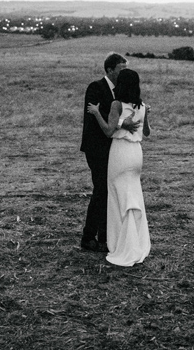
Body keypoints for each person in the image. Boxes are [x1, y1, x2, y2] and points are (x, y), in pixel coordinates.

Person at [87, 69, 151, 266]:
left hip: (121, 153)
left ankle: (122, 244)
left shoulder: (116, 104)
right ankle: (137, 241)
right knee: (134, 196)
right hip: (136, 154)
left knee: (117, 198)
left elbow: (108, 131)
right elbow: (146, 133)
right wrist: (145, 116)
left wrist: (97, 113)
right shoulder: (142, 106)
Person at [79, 53, 137, 252]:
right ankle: (88, 236)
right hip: (96, 147)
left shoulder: (121, 92)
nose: (124, 72)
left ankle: (105, 237)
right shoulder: (95, 88)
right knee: (101, 190)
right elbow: (96, 115)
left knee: (109, 192)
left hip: (113, 149)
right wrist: (121, 123)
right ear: (110, 70)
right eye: (121, 68)